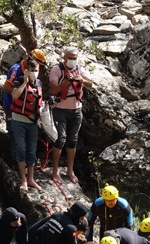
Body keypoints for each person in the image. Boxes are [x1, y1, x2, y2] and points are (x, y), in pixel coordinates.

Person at [49, 46, 93, 184]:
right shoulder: (56, 70)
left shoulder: (80, 69)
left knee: (72, 141)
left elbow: (90, 84)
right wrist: (67, 82)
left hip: (76, 110)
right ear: (64, 58)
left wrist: (82, 80)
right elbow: (53, 89)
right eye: (70, 58)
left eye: (74, 59)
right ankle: (55, 171)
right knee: (60, 139)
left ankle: (70, 170)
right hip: (60, 109)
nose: (72, 61)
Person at [2, 49, 47, 162]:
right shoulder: (16, 70)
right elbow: (7, 87)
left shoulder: (34, 73)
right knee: (15, 135)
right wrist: (20, 94)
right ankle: (16, 164)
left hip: (26, 110)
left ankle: (27, 162)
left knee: (28, 137)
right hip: (11, 107)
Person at [10, 59, 43, 192]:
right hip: (19, 121)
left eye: (36, 71)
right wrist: (25, 82)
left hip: (32, 123)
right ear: (26, 71)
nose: (34, 73)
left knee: (32, 151)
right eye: (32, 71)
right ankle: (23, 180)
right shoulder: (18, 80)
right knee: (21, 149)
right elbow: (15, 96)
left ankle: (31, 178)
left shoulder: (39, 83)